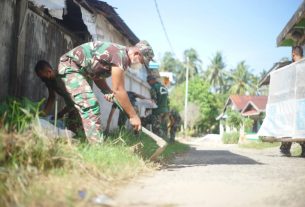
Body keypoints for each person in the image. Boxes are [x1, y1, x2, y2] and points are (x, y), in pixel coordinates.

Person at [35, 40, 154, 143]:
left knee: (113, 101)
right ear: (137, 53)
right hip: (70, 66)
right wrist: (133, 116)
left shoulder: (121, 57)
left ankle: (77, 140)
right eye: (142, 61)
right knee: (90, 104)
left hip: (80, 69)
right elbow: (119, 90)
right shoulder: (120, 56)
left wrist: (106, 91)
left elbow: (96, 75)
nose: (141, 65)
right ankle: (98, 147)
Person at [280, 45, 305, 157]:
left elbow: (289, 86)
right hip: (302, 100)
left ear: (293, 54)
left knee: (290, 124)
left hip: (295, 101)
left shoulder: (293, 67)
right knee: (301, 125)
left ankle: (285, 147)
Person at [144, 75, 169, 140]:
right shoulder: (163, 87)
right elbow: (168, 101)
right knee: (163, 127)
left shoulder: (154, 88)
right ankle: (165, 141)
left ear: (152, 80)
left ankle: (160, 144)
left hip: (158, 112)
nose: (148, 83)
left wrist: (147, 108)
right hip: (165, 111)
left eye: (148, 81)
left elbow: (154, 101)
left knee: (156, 129)